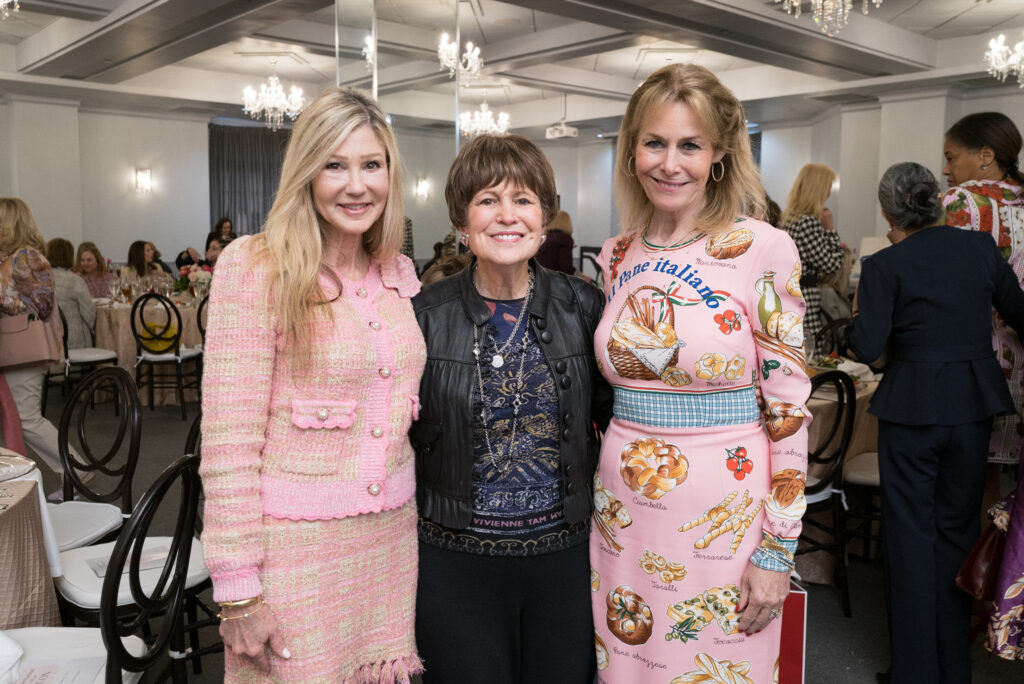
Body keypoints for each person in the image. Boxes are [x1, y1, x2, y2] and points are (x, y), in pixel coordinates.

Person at [590, 64, 809, 683]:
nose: (670, 163)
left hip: (724, 517)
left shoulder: (762, 247)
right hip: (622, 515)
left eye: (690, 145)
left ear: (718, 155)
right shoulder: (618, 254)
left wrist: (776, 548)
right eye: (655, 142)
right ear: (633, 149)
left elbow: (789, 408)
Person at [199, 86, 425, 683]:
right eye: (335, 165)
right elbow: (227, 448)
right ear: (305, 172)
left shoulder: (396, 272)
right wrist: (239, 592)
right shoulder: (256, 267)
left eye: (371, 165)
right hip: (296, 555)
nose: (357, 185)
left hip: (388, 546)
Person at [411, 134, 613, 683]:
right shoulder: (422, 316)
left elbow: (614, 422)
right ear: (462, 218)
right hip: (455, 562)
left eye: (523, 200)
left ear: (544, 216)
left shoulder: (585, 306)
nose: (507, 216)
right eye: (487, 200)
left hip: (564, 558)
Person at [847, 162, 1024, 684]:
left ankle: (915, 671)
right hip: (971, 405)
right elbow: (1019, 312)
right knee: (956, 533)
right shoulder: (979, 250)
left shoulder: (884, 265)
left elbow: (868, 348)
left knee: (908, 540)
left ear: (886, 212)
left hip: (911, 409)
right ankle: (953, 669)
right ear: (939, 202)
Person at [941, 111, 1024, 469]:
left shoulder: (961, 201)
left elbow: (945, 282)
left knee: (969, 480)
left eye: (951, 157)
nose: (946, 170)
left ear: (986, 156)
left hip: (977, 361)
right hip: (1021, 359)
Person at [0, 199, 74, 479]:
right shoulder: (8, 259)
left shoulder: (27, 257)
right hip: (11, 349)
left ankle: (75, 475)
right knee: (18, 419)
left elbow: (40, 305)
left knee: (27, 419)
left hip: (24, 349)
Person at [780, 163, 843, 351]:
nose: (829, 192)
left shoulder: (788, 219)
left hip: (790, 293)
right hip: (806, 295)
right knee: (811, 346)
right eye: (828, 187)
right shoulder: (808, 222)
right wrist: (830, 228)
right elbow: (832, 264)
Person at [45, 238, 95, 350]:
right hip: (73, 344)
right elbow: (90, 315)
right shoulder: (75, 280)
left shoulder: (40, 280)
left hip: (48, 343)